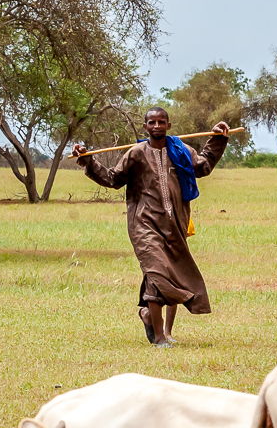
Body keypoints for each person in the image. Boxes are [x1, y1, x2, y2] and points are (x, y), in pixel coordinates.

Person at [72, 109, 232, 347]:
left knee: (172, 272)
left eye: (161, 122)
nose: (157, 125)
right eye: (152, 122)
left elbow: (203, 166)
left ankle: (153, 319)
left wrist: (218, 139)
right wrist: (87, 159)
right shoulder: (136, 154)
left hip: (174, 223)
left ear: (168, 125)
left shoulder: (182, 151)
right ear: (145, 127)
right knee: (156, 273)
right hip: (144, 224)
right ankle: (158, 338)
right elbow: (112, 179)